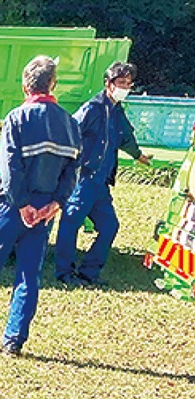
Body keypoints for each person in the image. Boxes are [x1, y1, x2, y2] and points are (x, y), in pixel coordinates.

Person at [0, 56, 81, 356]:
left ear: (25, 85)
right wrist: (55, 204)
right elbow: (72, 170)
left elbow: (10, 166)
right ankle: (14, 341)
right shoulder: (70, 123)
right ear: (53, 84)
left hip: (12, 206)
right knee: (28, 275)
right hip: (45, 208)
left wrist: (21, 204)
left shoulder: (17, 118)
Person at [54, 61, 153, 288]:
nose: (125, 88)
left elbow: (125, 136)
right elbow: (69, 134)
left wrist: (138, 155)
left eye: (128, 84)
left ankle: (89, 273)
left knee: (110, 226)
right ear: (108, 83)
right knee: (70, 225)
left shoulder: (117, 110)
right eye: (121, 83)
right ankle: (64, 274)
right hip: (84, 179)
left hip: (101, 183)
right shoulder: (92, 108)